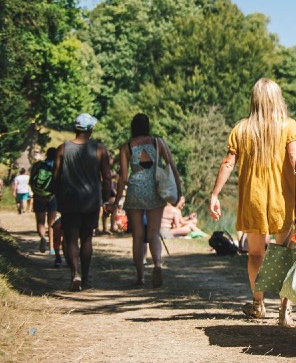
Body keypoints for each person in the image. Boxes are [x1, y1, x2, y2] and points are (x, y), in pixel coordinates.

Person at [208, 78, 296, 325]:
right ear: (278, 99)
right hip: (283, 199)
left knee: (255, 254)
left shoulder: (241, 129)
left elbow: (228, 163)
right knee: (285, 253)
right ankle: (285, 308)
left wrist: (215, 194)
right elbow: (295, 160)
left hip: (253, 199)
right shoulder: (289, 126)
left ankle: (258, 304)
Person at [117, 113, 184, 288]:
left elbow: (123, 178)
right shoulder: (158, 142)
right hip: (155, 189)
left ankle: (140, 276)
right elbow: (171, 165)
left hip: (135, 190)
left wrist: (117, 200)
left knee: (138, 235)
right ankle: (157, 265)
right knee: (154, 232)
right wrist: (178, 190)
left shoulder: (127, 147)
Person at [52, 113, 114, 292]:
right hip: (91, 200)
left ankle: (75, 274)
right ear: (91, 129)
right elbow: (107, 177)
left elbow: (55, 177)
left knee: (71, 238)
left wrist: (56, 195)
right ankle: (85, 277)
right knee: (87, 239)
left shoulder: (62, 149)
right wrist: (105, 199)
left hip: (69, 199)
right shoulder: (100, 149)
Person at [30, 147, 59, 255]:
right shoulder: (57, 166)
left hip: (38, 197)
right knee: (51, 223)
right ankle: (51, 248)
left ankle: (42, 237)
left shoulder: (38, 165)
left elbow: (31, 181)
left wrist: (36, 194)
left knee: (40, 222)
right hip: (51, 197)